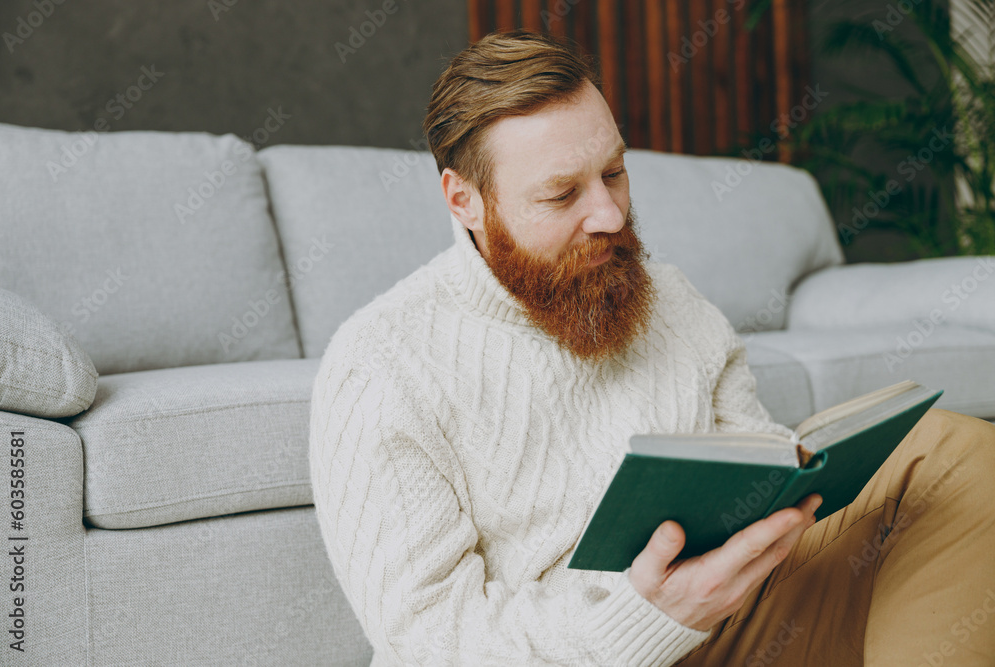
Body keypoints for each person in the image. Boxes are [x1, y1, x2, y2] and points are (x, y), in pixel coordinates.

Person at [309, 29, 995, 666]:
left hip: (741, 616)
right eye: (562, 194)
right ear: (464, 201)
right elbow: (429, 639)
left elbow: (752, 452)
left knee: (951, 455)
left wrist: (778, 509)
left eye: (613, 173)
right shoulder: (382, 366)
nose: (608, 215)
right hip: (586, 652)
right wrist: (644, 616)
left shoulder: (670, 300)